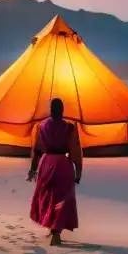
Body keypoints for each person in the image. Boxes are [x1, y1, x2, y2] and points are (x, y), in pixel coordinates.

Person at [27, 97, 82, 246]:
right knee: (61, 199)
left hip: (46, 163)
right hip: (63, 164)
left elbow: (37, 149)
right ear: (62, 110)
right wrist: (78, 171)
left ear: (50, 110)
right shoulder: (69, 128)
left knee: (47, 197)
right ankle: (56, 232)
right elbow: (75, 150)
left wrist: (33, 168)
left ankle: (52, 228)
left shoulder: (41, 126)